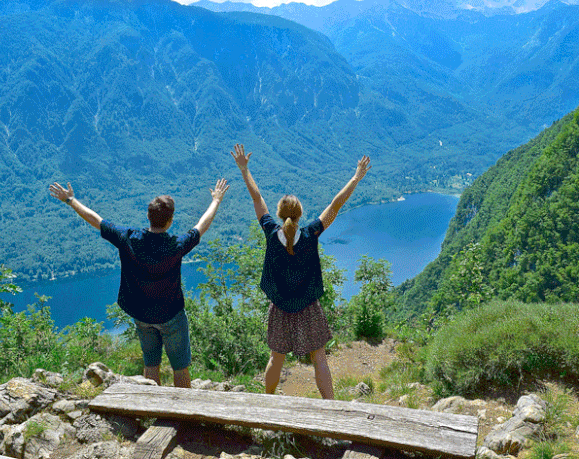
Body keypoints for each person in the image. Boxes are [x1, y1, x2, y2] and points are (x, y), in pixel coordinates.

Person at [48, 179, 229, 388]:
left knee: (151, 364)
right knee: (180, 367)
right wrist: (216, 200)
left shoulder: (128, 238)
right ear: (170, 221)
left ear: (148, 216)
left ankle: (151, 408)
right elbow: (201, 226)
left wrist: (70, 200)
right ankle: (183, 414)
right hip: (171, 315)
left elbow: (95, 220)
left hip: (141, 315)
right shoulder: (176, 245)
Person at [230, 143, 371, 399]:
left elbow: (257, 198)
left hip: (280, 305)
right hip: (308, 305)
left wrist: (244, 170)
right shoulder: (311, 234)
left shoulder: (271, 234)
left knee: (276, 357)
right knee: (319, 357)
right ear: (300, 214)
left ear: (279, 214)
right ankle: (330, 405)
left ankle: (268, 400)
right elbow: (335, 205)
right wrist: (356, 177)